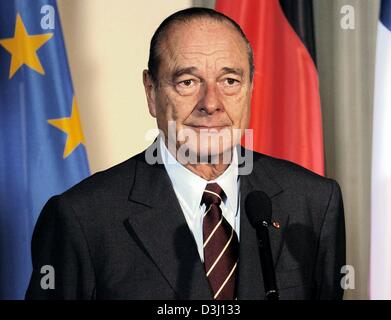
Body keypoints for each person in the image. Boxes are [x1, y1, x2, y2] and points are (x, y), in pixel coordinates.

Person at [26, 7, 345, 300]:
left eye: (230, 81)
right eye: (188, 81)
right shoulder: (82, 218)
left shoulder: (314, 202)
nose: (211, 103)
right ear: (152, 92)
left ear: (249, 89)